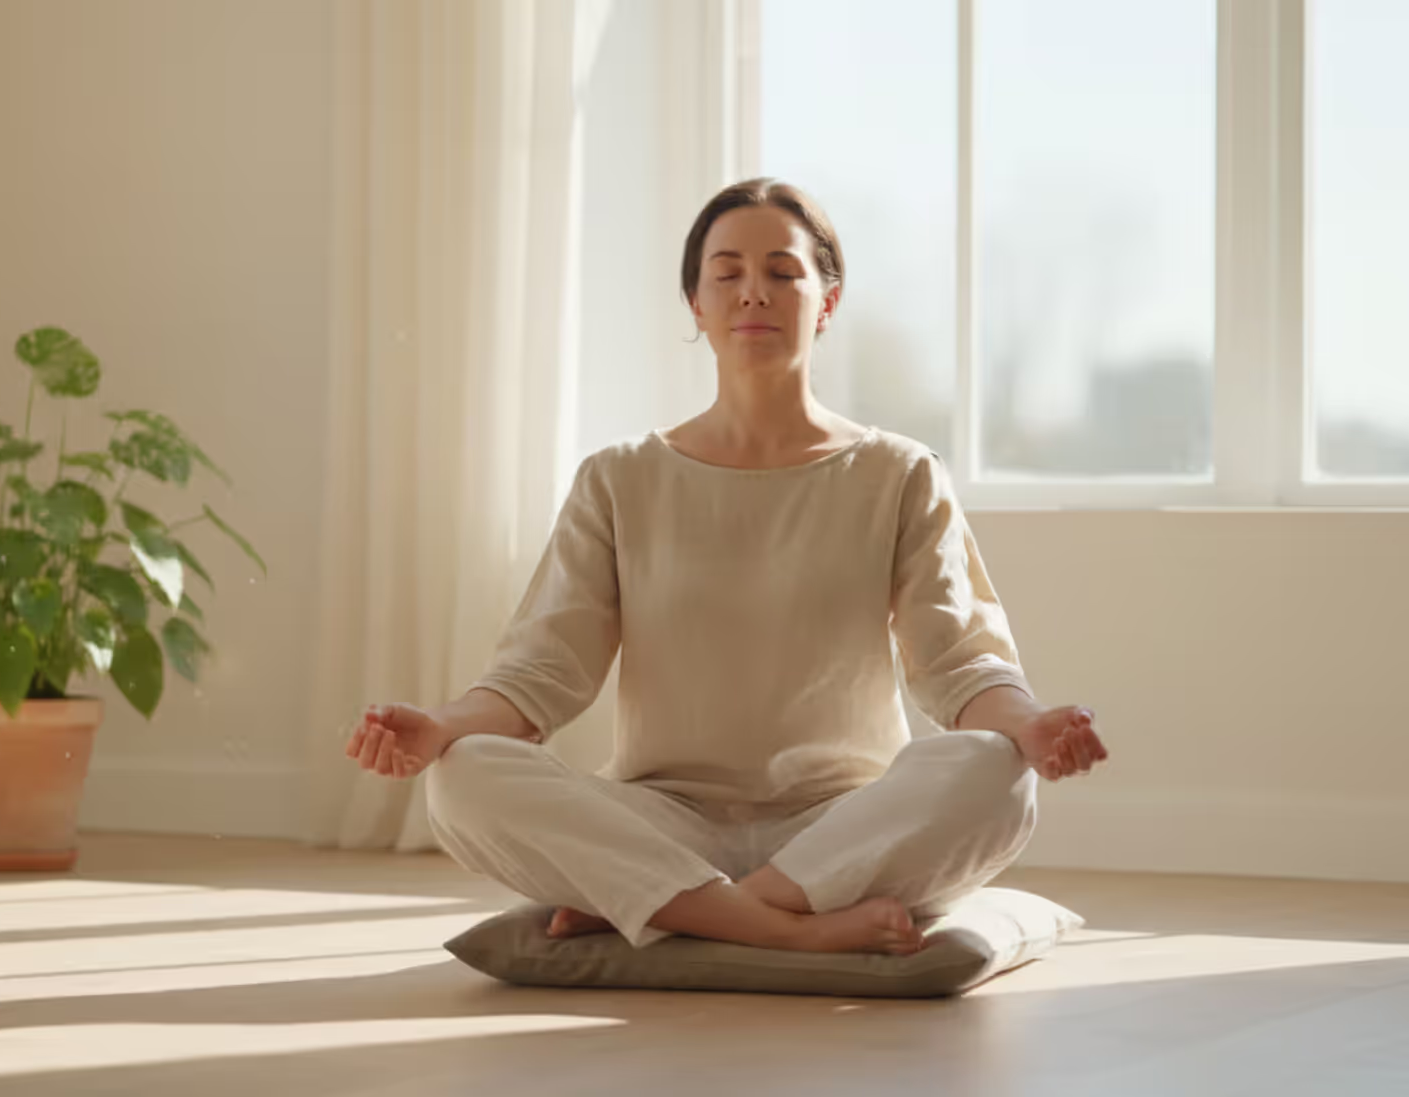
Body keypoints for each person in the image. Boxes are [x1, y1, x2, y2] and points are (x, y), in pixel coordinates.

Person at [343, 177, 1108, 957]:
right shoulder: (619, 477)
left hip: (843, 827)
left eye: (783, 272)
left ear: (827, 302)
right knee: (464, 774)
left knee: (995, 770)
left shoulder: (901, 474)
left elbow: (961, 659)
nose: (755, 293)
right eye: (728, 273)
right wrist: (441, 726)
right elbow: (541, 670)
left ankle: (678, 908)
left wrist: (1030, 726)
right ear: (696, 305)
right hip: (661, 819)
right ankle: (786, 929)